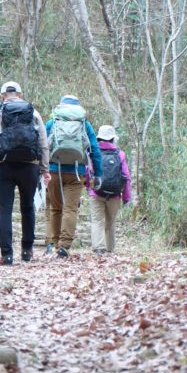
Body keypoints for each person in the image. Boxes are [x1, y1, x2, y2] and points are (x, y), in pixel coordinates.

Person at [0, 81, 50, 265]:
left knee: (5, 209)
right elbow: (43, 143)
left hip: (4, 166)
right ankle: (27, 251)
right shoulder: (34, 114)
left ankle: (7, 254)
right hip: (30, 166)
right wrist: (44, 168)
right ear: (20, 95)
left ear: (2, 96)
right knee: (28, 207)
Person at [45, 95, 103, 258]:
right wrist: (98, 174)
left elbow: (41, 146)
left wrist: (40, 170)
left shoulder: (52, 122)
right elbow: (94, 150)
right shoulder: (84, 124)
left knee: (55, 208)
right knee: (70, 209)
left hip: (54, 169)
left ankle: (53, 243)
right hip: (76, 172)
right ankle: (64, 246)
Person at [88, 124, 131, 254]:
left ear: (99, 138)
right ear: (113, 139)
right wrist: (126, 197)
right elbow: (126, 176)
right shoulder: (120, 154)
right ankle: (110, 248)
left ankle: (98, 248)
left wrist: (88, 188)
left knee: (97, 220)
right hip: (115, 195)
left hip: (96, 193)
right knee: (110, 222)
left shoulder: (93, 153)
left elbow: (88, 172)